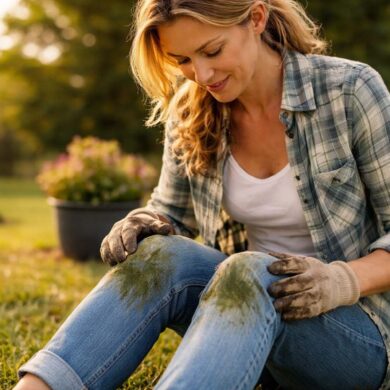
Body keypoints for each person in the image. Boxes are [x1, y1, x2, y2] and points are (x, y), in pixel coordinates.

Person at [14, 0, 390, 389]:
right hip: (243, 324)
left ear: (256, 18)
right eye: (183, 60)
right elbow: (170, 213)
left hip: (357, 337)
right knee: (163, 254)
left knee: (250, 270)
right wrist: (146, 224)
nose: (202, 74)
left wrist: (340, 280)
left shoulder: (349, 92)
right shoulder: (192, 110)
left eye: (212, 51)